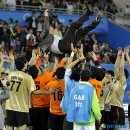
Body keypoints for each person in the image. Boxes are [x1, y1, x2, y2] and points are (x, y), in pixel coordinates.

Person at [5, 57, 36, 130]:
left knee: (9, 125)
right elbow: (32, 91)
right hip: (22, 107)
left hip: (10, 106)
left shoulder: (10, 75)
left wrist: (12, 61)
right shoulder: (28, 77)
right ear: (25, 64)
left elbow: (8, 82)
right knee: (21, 126)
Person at [105, 47, 129, 130]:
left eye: (119, 73)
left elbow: (121, 68)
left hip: (118, 110)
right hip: (111, 108)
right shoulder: (115, 80)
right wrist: (118, 56)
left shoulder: (123, 82)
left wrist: (122, 57)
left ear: (124, 76)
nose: (117, 72)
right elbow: (116, 67)